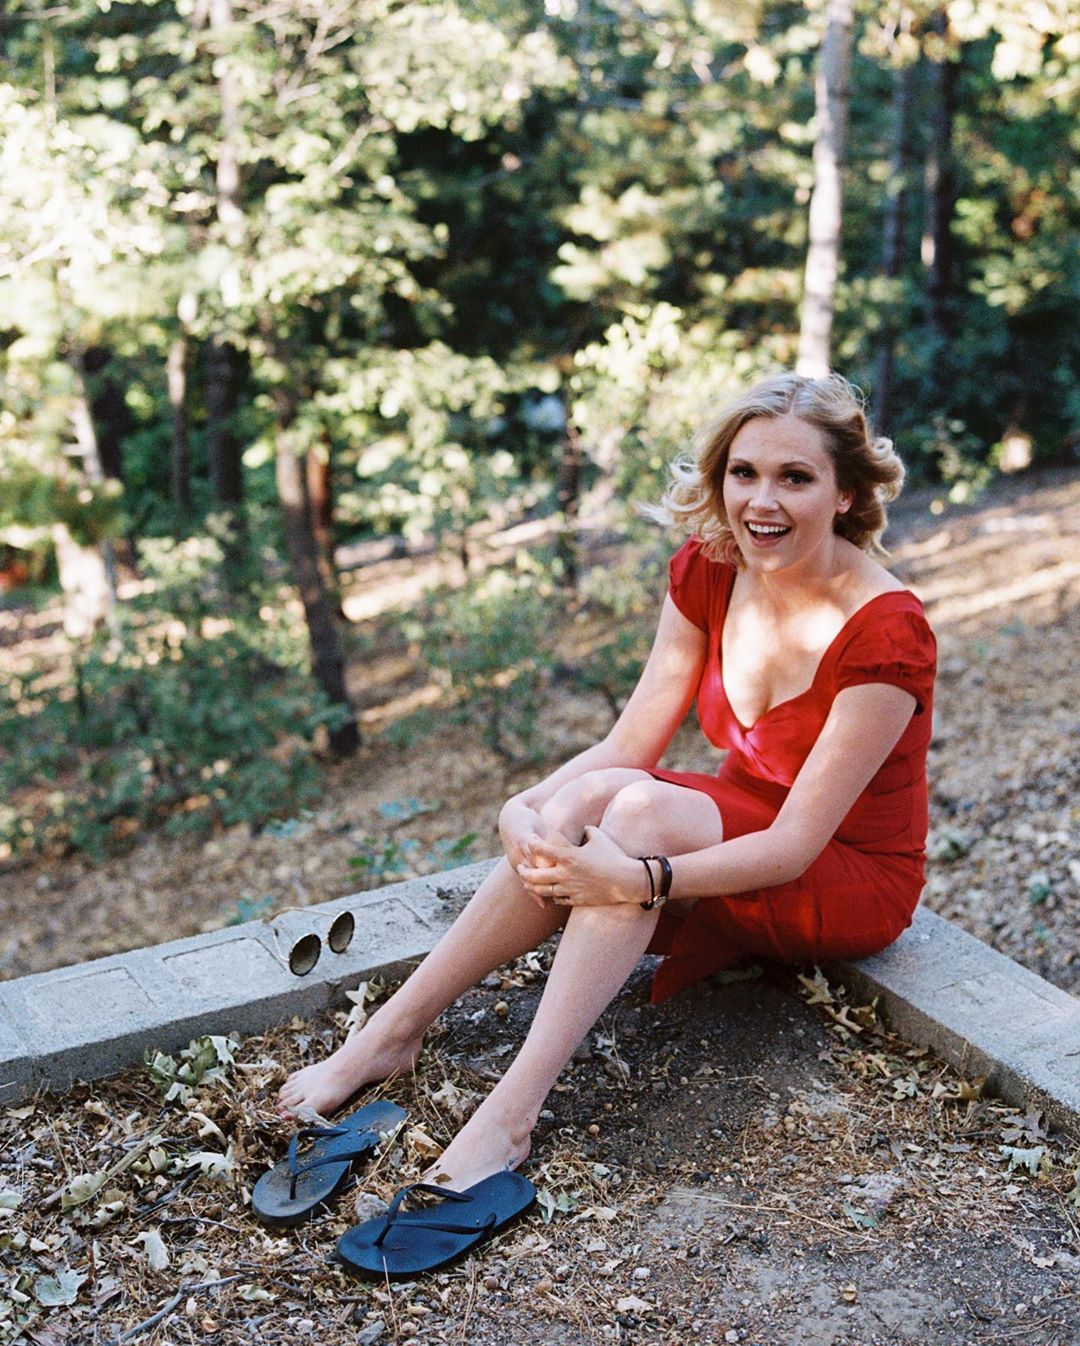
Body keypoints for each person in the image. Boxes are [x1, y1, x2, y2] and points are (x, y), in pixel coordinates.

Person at [277, 371, 936, 1198]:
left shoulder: (887, 632)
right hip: (739, 825)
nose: (761, 501)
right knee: (589, 800)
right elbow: (628, 742)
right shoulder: (711, 568)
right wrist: (526, 807)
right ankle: (390, 1035)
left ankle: (511, 1113)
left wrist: (640, 879)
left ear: (844, 494)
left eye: (795, 477)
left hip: (843, 875)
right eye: (744, 472)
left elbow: (796, 843)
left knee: (640, 814)